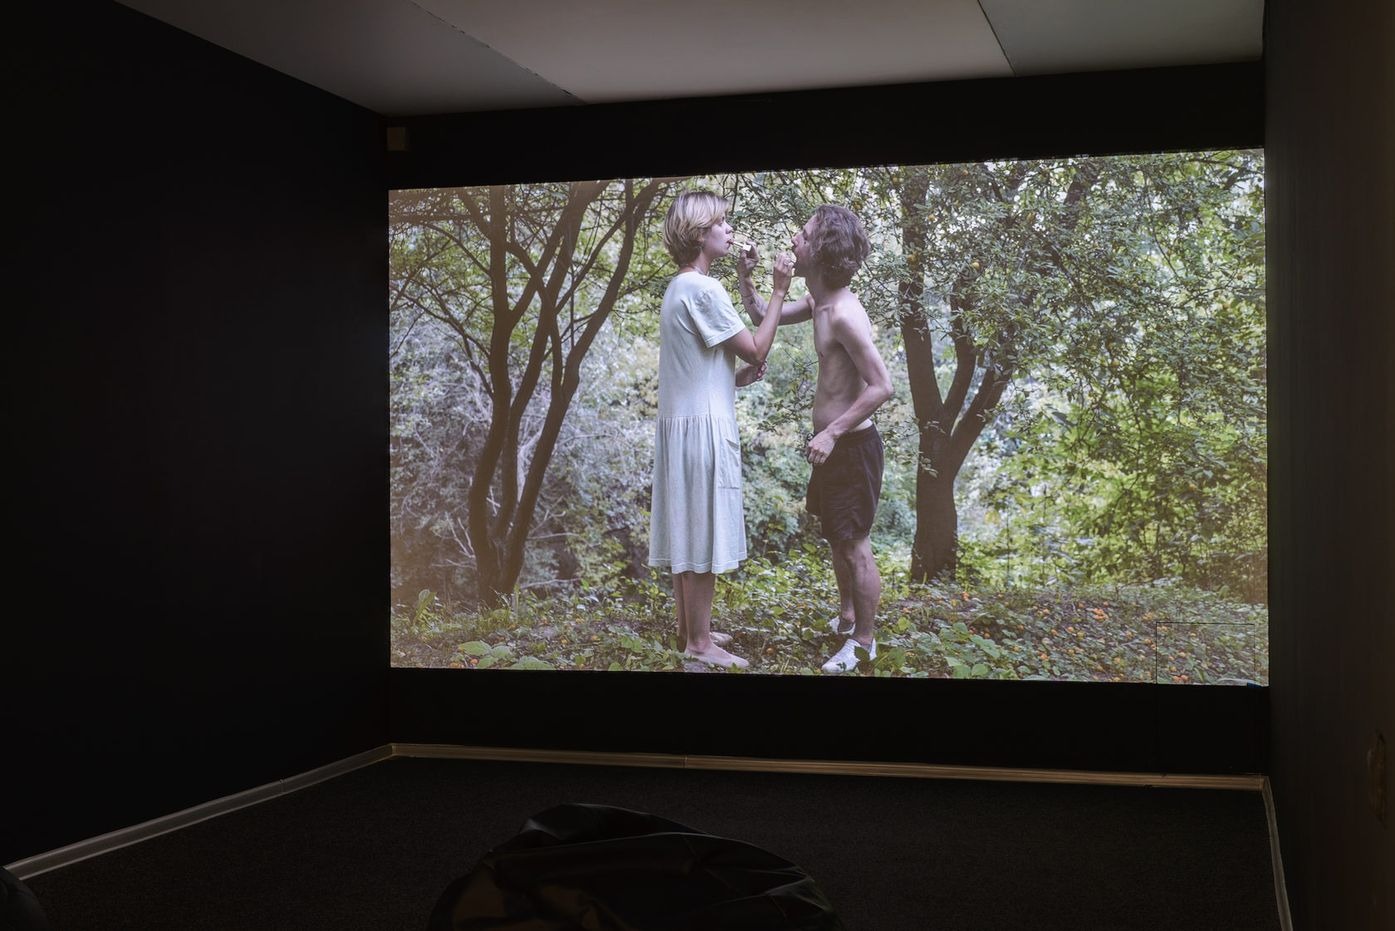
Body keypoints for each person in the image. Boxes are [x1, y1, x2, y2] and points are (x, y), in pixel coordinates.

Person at [737, 205, 893, 673]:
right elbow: (762, 314)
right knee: (837, 539)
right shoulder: (817, 302)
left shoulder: (843, 313)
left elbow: (882, 386)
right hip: (833, 446)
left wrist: (831, 432)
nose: (794, 241)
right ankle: (848, 619)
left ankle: (864, 643)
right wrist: (747, 277)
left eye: (803, 235)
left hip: (851, 447)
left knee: (855, 545)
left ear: (822, 250)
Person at [649, 190, 793, 669]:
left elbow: (695, 370)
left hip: (683, 427)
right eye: (721, 223)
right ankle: (700, 644)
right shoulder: (704, 290)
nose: (729, 230)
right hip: (703, 432)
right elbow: (756, 346)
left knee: (687, 528)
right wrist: (777, 289)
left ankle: (688, 628)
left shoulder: (679, 288)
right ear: (699, 234)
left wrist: (736, 379)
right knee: (703, 535)